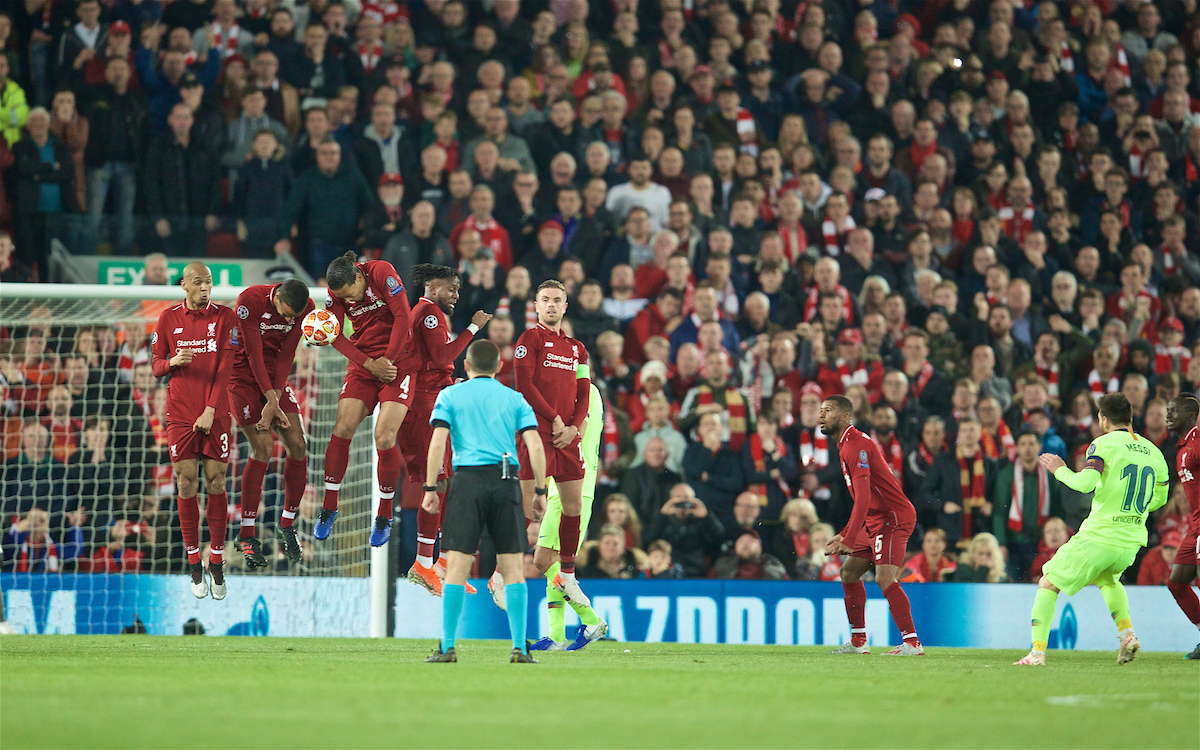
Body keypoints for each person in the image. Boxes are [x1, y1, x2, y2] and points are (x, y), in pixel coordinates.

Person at [1015, 393, 1169, 666]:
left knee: (1047, 582)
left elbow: (1085, 483)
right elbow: (1160, 499)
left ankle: (1036, 653)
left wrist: (1060, 470)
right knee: (1108, 581)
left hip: (1100, 535)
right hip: (1131, 539)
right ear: (1130, 418)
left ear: (1103, 419)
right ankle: (1127, 634)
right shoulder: (1154, 452)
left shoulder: (1101, 445)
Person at [421, 341, 545, 664]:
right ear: (499, 367)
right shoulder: (515, 398)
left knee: (458, 565)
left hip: (467, 481)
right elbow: (535, 445)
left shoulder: (449, 396)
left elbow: (437, 443)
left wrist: (430, 487)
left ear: (466, 366)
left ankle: (447, 646)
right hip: (506, 482)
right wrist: (541, 491)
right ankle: (519, 646)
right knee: (513, 568)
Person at [494, 380, 608, 651]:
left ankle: (592, 620)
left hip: (573, 487)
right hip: (568, 485)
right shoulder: (582, 392)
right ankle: (557, 635)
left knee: (544, 559)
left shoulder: (585, 392)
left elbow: (570, 437)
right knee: (551, 560)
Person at [399, 265, 491, 588]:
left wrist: (451, 381)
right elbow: (441, 357)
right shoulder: (430, 314)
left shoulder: (425, 313)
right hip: (425, 408)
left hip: (432, 402)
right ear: (433, 286)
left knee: (446, 484)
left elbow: (433, 364)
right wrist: (473, 328)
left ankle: (441, 561)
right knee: (436, 485)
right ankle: (424, 563)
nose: (455, 295)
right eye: (452, 289)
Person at [150, 262, 237, 600]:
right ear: (183, 285)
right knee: (186, 483)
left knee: (216, 482)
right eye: (198, 283)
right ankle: (192, 561)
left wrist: (212, 410)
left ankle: (215, 558)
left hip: (215, 413)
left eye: (209, 282)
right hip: (181, 414)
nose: (205, 288)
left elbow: (226, 368)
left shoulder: (225, 318)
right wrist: (172, 363)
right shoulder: (168, 319)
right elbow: (156, 364)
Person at [316, 253, 413, 542]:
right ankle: (329, 507)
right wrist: (369, 364)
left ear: (359, 277)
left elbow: (403, 317)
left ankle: (384, 515)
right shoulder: (336, 293)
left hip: (400, 362)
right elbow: (334, 334)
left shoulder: (382, 272)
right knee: (343, 428)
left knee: (384, 437)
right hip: (365, 364)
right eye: (344, 298)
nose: (351, 301)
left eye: (352, 294)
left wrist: (388, 360)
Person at [819, 394, 923, 655]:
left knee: (884, 576)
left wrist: (850, 538)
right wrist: (845, 533)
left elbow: (864, 497)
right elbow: (865, 499)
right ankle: (858, 641)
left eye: (828, 410)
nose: (821, 415)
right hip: (876, 519)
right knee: (849, 573)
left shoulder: (856, 445)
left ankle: (912, 643)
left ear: (845, 416)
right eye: (821, 410)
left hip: (892, 518)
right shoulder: (845, 444)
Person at [512, 279, 592, 605]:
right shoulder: (529, 339)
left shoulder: (577, 348)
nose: (551, 305)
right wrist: (556, 420)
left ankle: (569, 575)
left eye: (557, 300)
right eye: (545, 300)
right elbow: (523, 384)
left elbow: (584, 391)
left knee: (574, 507)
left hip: (566, 437)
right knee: (525, 509)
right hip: (537, 434)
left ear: (565, 305)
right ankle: (504, 573)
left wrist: (574, 427)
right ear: (536, 305)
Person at [228, 279, 314, 566]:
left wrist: (274, 398)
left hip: (276, 378)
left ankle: (287, 524)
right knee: (263, 448)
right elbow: (252, 355)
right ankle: (247, 533)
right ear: (276, 296)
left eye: (293, 316)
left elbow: (287, 353)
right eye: (285, 313)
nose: (288, 320)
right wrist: (270, 402)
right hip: (240, 377)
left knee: (299, 445)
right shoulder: (249, 301)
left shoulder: (305, 309)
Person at [1164, 395, 1200, 659]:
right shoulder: (1182, 446)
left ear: (1190, 415)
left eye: (1174, 411)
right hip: (1195, 526)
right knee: (1177, 582)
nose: (1169, 415)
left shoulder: (1197, 440)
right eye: (1168, 410)